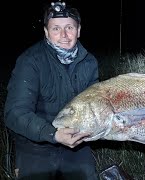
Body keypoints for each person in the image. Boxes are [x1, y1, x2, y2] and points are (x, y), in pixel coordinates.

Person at [4, 2, 99, 179]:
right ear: (46, 33)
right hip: (36, 144)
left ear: (78, 30)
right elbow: (14, 113)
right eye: (56, 29)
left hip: (76, 141)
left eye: (69, 27)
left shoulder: (89, 62)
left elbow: (95, 106)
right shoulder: (30, 61)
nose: (64, 35)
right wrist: (53, 134)